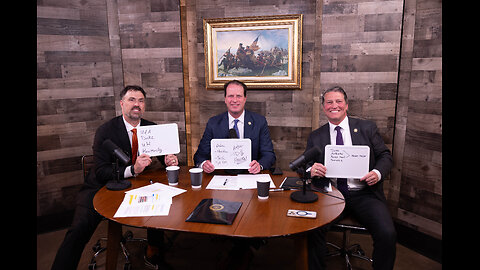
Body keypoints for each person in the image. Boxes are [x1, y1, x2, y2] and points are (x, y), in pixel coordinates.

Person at [51, 85, 178, 270]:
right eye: (132, 100)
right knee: (78, 229)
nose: (137, 104)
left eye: (141, 101)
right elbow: (101, 171)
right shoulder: (106, 131)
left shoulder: (152, 128)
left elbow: (164, 157)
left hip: (139, 184)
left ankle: (154, 252)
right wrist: (132, 169)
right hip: (101, 186)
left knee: (161, 206)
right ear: (122, 104)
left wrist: (170, 160)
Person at [306, 86, 396, 270]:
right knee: (313, 229)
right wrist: (311, 170)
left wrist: (377, 173)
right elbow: (305, 166)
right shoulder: (316, 136)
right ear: (324, 108)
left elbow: (385, 156)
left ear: (346, 105)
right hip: (330, 194)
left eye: (338, 101)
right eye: (329, 102)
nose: (334, 106)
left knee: (387, 233)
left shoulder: (366, 128)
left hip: (364, 194)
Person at [193, 79, 276, 174]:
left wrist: (259, 165)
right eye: (230, 96)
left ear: (245, 99)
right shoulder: (213, 123)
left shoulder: (259, 122)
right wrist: (204, 164)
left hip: (250, 176)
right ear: (225, 99)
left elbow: (269, 155)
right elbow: (199, 156)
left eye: (239, 96)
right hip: (221, 176)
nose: (235, 100)